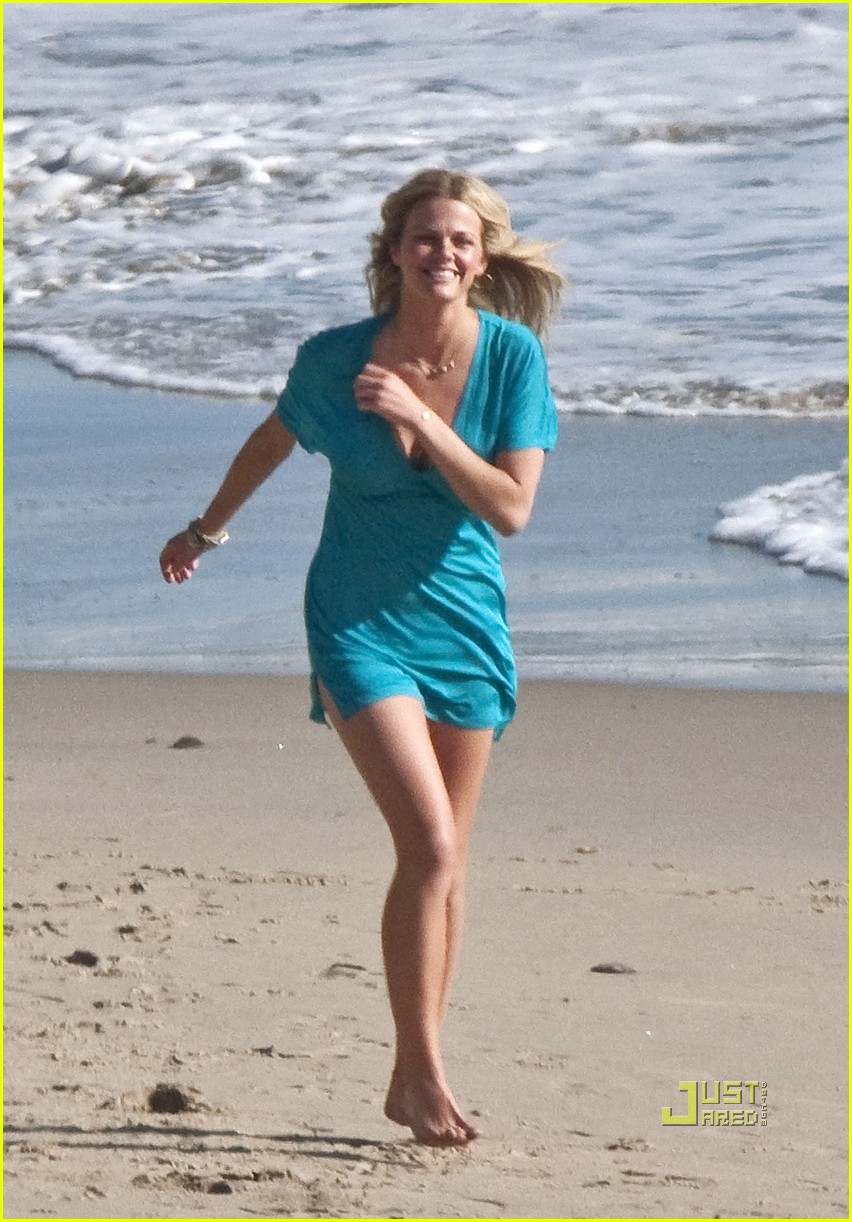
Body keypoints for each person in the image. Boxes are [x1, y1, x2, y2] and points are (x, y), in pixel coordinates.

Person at [159, 168, 564, 1146]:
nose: (443, 254)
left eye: (460, 241)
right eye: (425, 237)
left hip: (464, 623)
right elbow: (270, 442)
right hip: (356, 619)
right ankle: (421, 1073)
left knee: (447, 863)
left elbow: (511, 508)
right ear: (393, 251)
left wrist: (420, 419)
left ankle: (416, 1066)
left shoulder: (511, 359)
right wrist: (205, 531)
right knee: (429, 847)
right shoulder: (335, 360)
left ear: (482, 258)